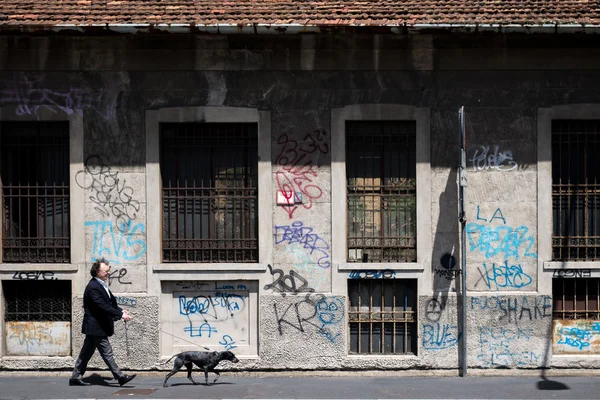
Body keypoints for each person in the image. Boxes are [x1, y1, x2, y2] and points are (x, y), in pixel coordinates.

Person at [69, 258, 137, 386]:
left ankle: (75, 377)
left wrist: (122, 311)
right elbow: (102, 306)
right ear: (97, 271)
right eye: (106, 271)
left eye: (109, 270)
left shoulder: (100, 285)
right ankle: (120, 377)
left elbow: (109, 303)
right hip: (96, 326)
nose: (108, 273)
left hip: (95, 327)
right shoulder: (93, 287)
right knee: (107, 352)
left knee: (86, 353)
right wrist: (120, 314)